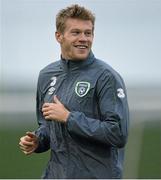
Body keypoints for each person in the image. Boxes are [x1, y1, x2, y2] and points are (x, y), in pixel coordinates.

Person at [19, 4, 129, 179]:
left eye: (88, 33)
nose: (84, 38)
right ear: (59, 36)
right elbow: (47, 126)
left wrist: (69, 118)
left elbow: (117, 133)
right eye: (76, 32)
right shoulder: (47, 75)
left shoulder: (106, 76)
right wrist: (38, 140)